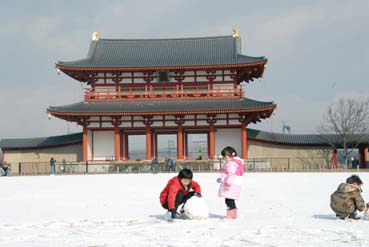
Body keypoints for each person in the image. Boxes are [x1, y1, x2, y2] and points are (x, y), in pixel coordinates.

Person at [216, 146, 244, 219]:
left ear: (231, 155)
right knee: (230, 200)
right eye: (224, 157)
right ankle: (233, 214)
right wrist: (221, 179)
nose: (224, 158)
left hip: (230, 185)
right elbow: (227, 174)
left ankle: (231, 214)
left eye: (225, 156)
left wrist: (227, 183)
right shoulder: (231, 163)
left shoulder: (231, 164)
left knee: (228, 200)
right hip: (233, 184)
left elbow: (231, 174)